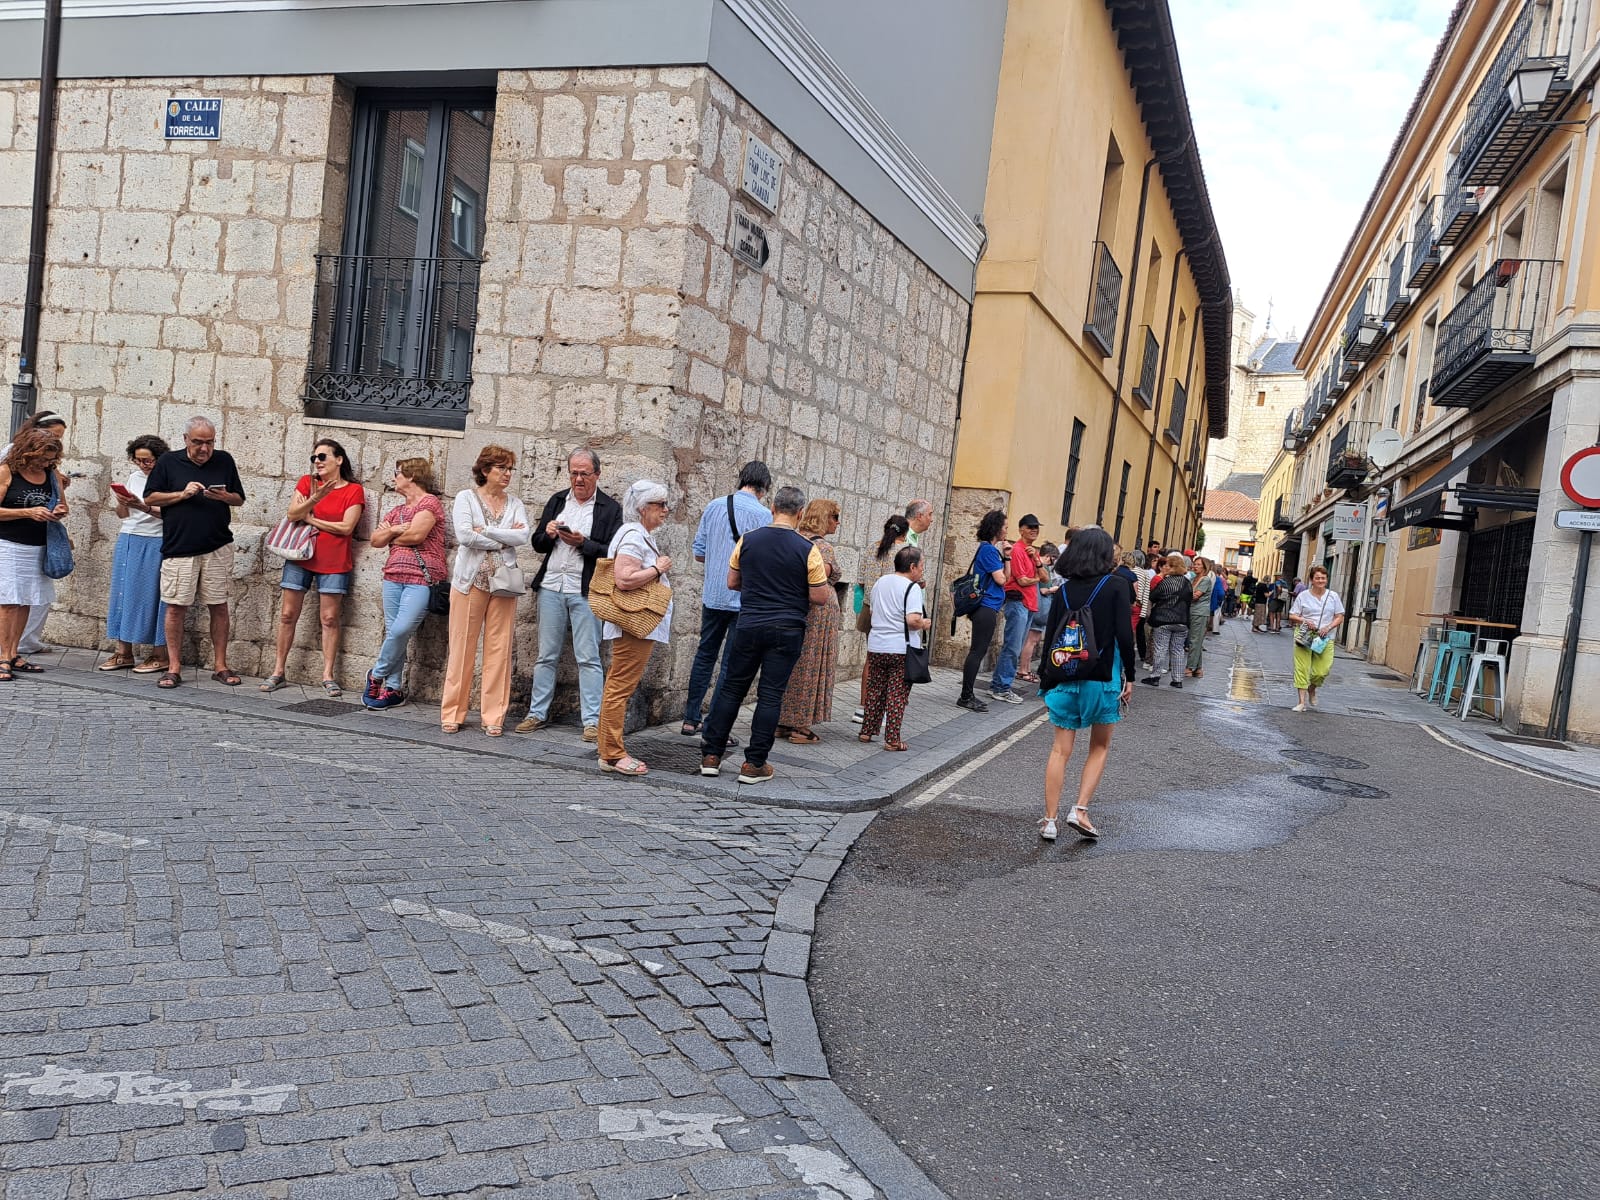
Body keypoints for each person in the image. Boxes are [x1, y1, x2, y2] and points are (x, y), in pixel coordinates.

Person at [699, 485, 834, 785]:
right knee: (770, 696)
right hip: (786, 628)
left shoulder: (748, 540)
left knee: (732, 689)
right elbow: (821, 597)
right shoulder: (807, 549)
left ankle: (711, 755)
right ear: (800, 515)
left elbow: (733, 582)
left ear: (773, 508)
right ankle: (754, 764)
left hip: (749, 623)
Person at [516, 448, 623, 742]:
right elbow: (537, 544)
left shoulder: (609, 509)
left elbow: (612, 553)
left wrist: (582, 543)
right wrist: (548, 533)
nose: (578, 479)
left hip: (584, 589)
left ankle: (591, 721)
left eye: (584, 474)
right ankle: (536, 713)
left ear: (597, 475)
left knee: (588, 657)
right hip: (551, 585)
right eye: (573, 473)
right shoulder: (557, 501)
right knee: (545, 655)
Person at [1036, 527, 1134, 841]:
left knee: (1060, 750)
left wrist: (1045, 679)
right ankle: (1079, 810)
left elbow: (1051, 636)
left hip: (1065, 676)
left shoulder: (1063, 590)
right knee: (1100, 745)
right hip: (1101, 678)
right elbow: (1124, 635)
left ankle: (1049, 821)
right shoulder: (1117, 586)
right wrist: (1130, 676)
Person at [142, 416, 245, 689]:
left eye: (209, 442)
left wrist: (225, 497)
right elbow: (150, 498)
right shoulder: (168, 462)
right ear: (186, 439)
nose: (204, 448)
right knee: (175, 608)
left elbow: (239, 498)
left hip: (218, 545)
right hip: (180, 548)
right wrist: (181, 494)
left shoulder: (224, 460)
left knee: (219, 606)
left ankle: (220, 665)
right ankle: (173, 667)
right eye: (198, 442)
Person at [260, 439, 365, 696]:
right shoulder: (307, 484)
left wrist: (314, 519)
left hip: (334, 561)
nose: (317, 462)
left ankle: (328, 674)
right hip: (299, 557)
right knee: (287, 614)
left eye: (322, 456)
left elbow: (346, 528)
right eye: (314, 458)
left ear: (339, 459)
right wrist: (315, 497)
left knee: (329, 618)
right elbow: (294, 514)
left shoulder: (353, 491)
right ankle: (278, 671)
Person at [441, 445, 529, 736]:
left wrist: (487, 533)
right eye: (502, 468)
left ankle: (494, 716)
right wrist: (505, 539)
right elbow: (465, 535)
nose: (507, 474)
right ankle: (453, 711)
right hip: (469, 583)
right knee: (462, 647)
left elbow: (523, 535)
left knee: (499, 649)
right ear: (485, 470)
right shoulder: (466, 498)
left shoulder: (514, 503)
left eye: (510, 469)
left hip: (503, 583)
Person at [682, 461, 772, 738]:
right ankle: (714, 727)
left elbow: (699, 553)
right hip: (744, 599)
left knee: (704, 655)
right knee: (730, 664)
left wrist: (720, 560)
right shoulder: (764, 515)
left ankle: (690, 718)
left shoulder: (714, 506)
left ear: (742, 479)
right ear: (764, 487)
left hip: (713, 595)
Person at [596, 480, 674, 776]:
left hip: (636, 624)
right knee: (620, 686)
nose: (666, 510)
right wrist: (658, 568)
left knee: (618, 684)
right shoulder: (633, 536)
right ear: (643, 509)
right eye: (660, 505)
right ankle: (613, 754)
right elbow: (624, 578)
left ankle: (609, 751)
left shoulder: (637, 534)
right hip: (633, 624)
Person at [363, 457, 446, 710]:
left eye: (397, 473)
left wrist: (393, 534)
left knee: (400, 631)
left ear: (411, 476)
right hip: (392, 576)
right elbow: (375, 540)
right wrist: (397, 530)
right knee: (393, 633)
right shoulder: (396, 512)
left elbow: (417, 535)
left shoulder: (430, 503)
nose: (394, 477)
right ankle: (393, 688)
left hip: (422, 577)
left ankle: (376, 675)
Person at [0, 430, 69, 681]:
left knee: (26, 600)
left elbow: (62, 504)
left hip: (38, 545)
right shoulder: (8, 471)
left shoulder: (51, 475)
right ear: (28, 452)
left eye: (50, 459)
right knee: (8, 601)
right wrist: (27, 513)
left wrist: (58, 511)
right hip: (9, 544)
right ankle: (3, 657)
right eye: (41, 458)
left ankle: (14, 652)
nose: (45, 463)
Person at [99, 434, 171, 675]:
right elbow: (123, 515)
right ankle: (123, 652)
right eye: (138, 460)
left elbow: (171, 515)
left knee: (153, 595)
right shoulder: (134, 477)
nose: (143, 465)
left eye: (148, 461)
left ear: (159, 459)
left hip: (156, 540)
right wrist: (123, 501)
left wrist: (143, 506)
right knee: (122, 593)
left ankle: (159, 654)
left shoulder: (169, 479)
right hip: (129, 536)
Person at [777, 498, 843, 742]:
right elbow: (818, 577)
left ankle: (783, 720)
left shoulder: (795, 538)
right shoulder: (822, 547)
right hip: (817, 615)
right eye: (835, 517)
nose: (838, 523)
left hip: (796, 608)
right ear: (825, 517)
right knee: (812, 666)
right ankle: (801, 726)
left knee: (794, 664)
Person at [858, 545, 930, 751]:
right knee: (897, 695)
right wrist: (925, 623)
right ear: (913, 566)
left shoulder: (881, 582)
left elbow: (872, 612)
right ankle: (892, 739)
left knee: (875, 690)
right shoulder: (912, 588)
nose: (922, 570)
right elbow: (913, 620)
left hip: (877, 645)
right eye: (922, 566)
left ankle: (866, 731)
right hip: (900, 648)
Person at [852, 513, 909, 724]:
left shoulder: (870, 549)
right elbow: (913, 581)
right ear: (904, 533)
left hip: (870, 609)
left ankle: (863, 707)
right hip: (894, 613)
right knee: (892, 663)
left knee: (871, 659)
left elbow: (860, 581)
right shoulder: (904, 551)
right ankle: (882, 710)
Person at [956, 509, 1009, 713]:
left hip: (990, 606)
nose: (1006, 530)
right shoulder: (987, 550)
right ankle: (966, 695)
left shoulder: (993, 551)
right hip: (985, 606)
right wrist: (1004, 565)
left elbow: (1007, 577)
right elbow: (1001, 579)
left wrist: (1008, 558)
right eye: (1004, 527)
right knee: (977, 651)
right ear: (996, 528)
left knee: (978, 650)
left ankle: (967, 694)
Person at [990, 513, 1041, 703]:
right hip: (1018, 602)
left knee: (1015, 646)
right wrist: (1037, 577)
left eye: (1036, 527)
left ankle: (999, 684)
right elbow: (1023, 580)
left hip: (1027, 603)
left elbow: (1045, 577)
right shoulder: (1018, 550)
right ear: (1021, 530)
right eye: (1030, 527)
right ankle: (1001, 686)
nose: (1034, 530)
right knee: (1012, 646)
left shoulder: (1031, 551)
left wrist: (1037, 563)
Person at [1289, 565, 1345, 712]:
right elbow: (1292, 615)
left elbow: (1340, 616)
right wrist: (1304, 621)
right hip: (1305, 635)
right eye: (1317, 578)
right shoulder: (1303, 596)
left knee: (1322, 670)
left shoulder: (1333, 596)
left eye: (1323, 578)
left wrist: (1328, 627)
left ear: (1327, 579)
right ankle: (1301, 702)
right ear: (1311, 580)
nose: (1321, 580)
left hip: (1324, 637)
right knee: (1302, 668)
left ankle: (1312, 688)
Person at [1142, 553, 1193, 688]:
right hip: (1182, 621)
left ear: (1172, 567)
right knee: (1178, 650)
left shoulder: (1166, 582)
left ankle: (1155, 677)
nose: (1165, 567)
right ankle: (1177, 680)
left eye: (1167, 565)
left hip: (1164, 620)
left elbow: (1153, 596)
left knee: (1160, 648)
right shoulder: (1187, 583)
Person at [1018, 541, 1061, 683]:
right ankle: (1024, 670)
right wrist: (1054, 589)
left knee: (1031, 641)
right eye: (1054, 558)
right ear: (1049, 556)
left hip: (1039, 608)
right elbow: (1043, 590)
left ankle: (1026, 669)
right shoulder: (1043, 568)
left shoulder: (1040, 566)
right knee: (1031, 641)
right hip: (1040, 609)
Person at [1186, 555, 1216, 678]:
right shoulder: (1194, 579)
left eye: (1198, 564)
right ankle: (1198, 668)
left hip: (1200, 612)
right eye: (1194, 563)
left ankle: (1190, 667)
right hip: (1193, 611)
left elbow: (1195, 596)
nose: (1195, 566)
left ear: (1205, 567)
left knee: (1195, 641)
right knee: (1195, 640)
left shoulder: (1205, 580)